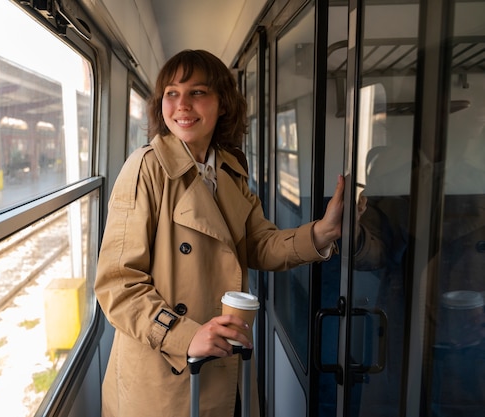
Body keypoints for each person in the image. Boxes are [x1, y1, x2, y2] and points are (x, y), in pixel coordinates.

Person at [94, 49, 344, 417]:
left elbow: (259, 244)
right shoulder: (146, 168)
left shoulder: (228, 169)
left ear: (223, 104)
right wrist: (184, 335)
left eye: (198, 92)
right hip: (165, 371)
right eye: (172, 93)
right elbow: (117, 285)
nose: (182, 105)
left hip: (225, 354)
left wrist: (321, 234)